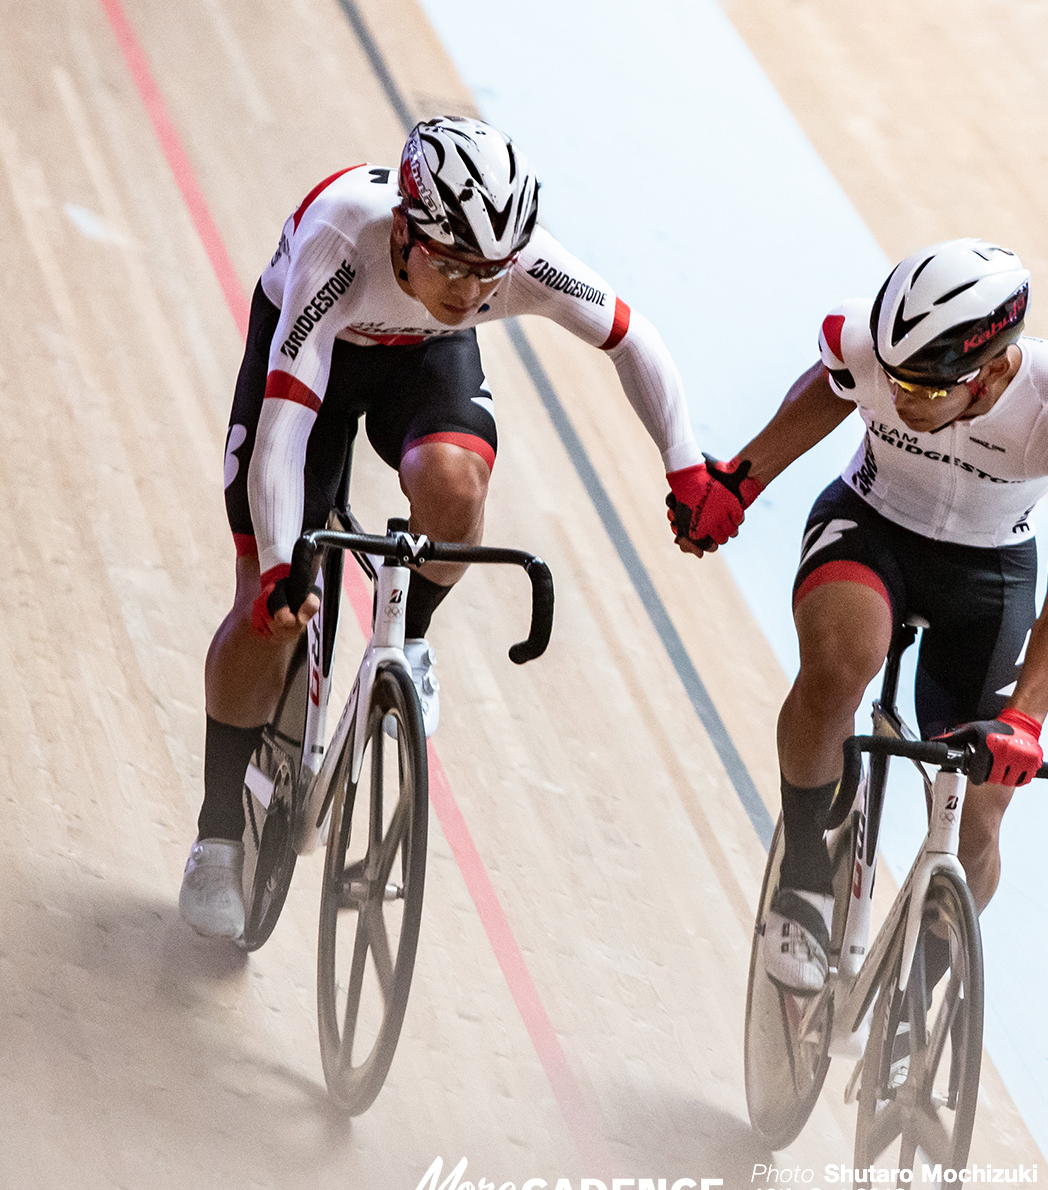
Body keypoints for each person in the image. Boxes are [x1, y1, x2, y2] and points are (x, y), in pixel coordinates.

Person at [181, 116, 742, 939]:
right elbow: (283, 430)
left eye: (488, 274)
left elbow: (632, 338)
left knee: (453, 481)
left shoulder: (507, 264)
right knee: (264, 616)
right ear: (404, 232)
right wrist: (274, 570)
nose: (470, 290)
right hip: (315, 367)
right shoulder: (341, 242)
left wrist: (687, 469)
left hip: (426, 362)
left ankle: (412, 638)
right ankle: (217, 837)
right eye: (448, 264)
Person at [671, 239, 1048, 991]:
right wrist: (739, 482)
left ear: (998, 368)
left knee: (980, 815)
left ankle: (916, 1000)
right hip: (871, 526)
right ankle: (805, 874)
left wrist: (1027, 722)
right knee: (842, 662)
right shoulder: (867, 348)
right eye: (895, 379)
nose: (903, 401)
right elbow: (826, 390)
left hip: (991, 575)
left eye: (928, 389)